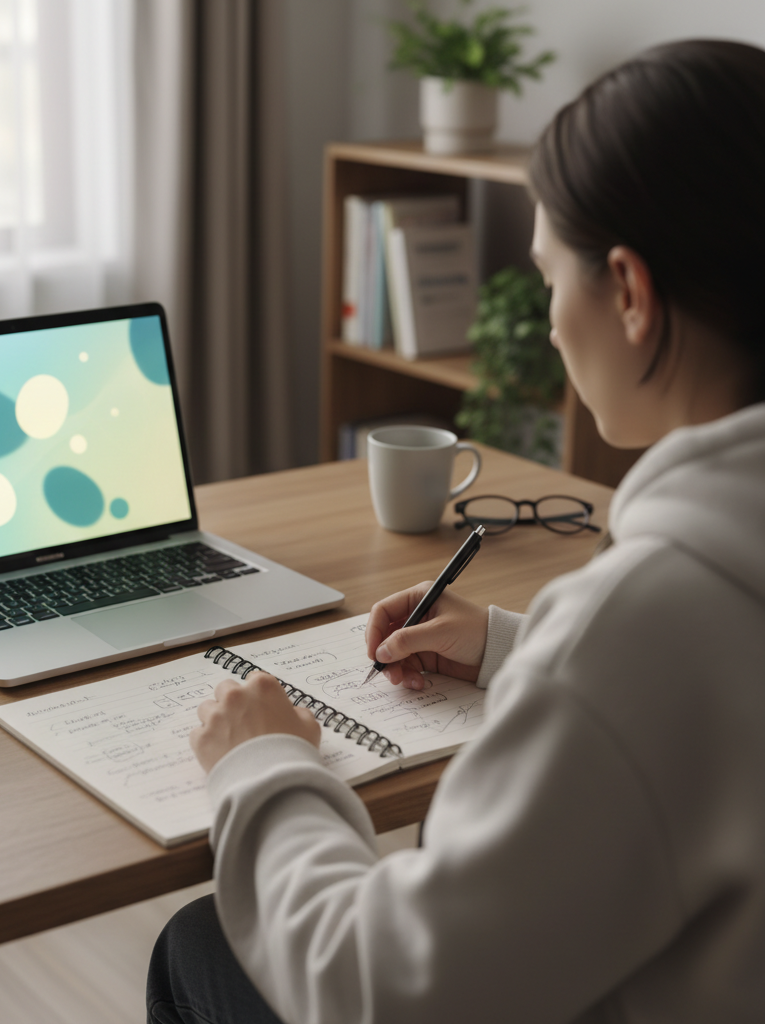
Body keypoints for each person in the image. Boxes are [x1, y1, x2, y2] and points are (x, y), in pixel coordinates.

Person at [146, 39, 765, 1024]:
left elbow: (381, 988)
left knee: (194, 943)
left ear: (631, 293)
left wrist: (263, 765)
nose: (553, 326)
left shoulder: (644, 621)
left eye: (550, 280)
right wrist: (513, 644)